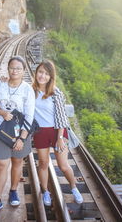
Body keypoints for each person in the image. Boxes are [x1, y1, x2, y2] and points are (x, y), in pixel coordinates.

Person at [0, 56, 35, 215]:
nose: (15, 71)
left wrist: (22, 138)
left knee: (17, 162)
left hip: (20, 133)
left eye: (18, 68)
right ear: (8, 68)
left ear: (23, 71)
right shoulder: (0, 85)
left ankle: (13, 190)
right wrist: (1, 111)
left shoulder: (27, 89)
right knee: (2, 165)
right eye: (12, 67)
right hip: (2, 132)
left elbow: (29, 116)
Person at [32, 60, 83, 206]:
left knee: (63, 165)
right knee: (43, 163)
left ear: (51, 77)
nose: (42, 76)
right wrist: (4, 81)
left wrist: (60, 138)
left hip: (57, 131)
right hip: (40, 132)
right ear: (36, 73)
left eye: (47, 74)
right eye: (40, 72)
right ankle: (45, 192)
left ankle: (74, 188)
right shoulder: (31, 91)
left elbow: (61, 117)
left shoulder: (56, 92)